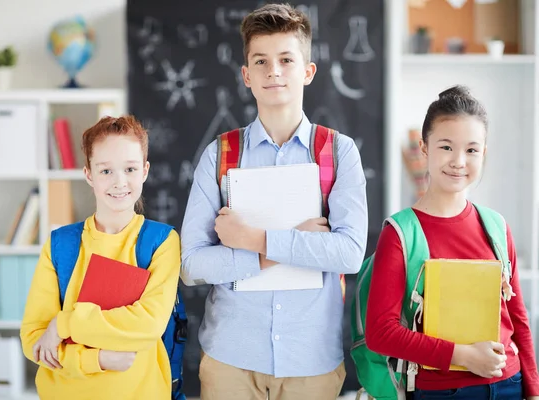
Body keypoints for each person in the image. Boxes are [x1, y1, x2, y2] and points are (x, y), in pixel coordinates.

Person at [180, 3, 368, 400]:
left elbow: (350, 253)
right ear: (246, 75)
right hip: (230, 360)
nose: (274, 71)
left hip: (311, 363)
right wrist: (281, 249)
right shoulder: (219, 155)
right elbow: (192, 265)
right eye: (260, 61)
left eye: (286, 59)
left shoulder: (338, 152)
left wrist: (254, 238)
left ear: (307, 71)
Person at [366, 85, 539, 399]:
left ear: (483, 154)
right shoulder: (401, 232)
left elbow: (518, 318)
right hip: (442, 390)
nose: (459, 161)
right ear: (424, 148)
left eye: (471, 150)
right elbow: (380, 333)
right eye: (446, 147)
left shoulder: (497, 226)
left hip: (509, 385)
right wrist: (463, 356)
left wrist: (534, 390)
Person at [20, 115, 181, 399]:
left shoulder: (160, 242)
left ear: (144, 171)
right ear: (88, 174)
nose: (120, 182)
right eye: (106, 171)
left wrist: (64, 324)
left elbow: (148, 324)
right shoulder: (61, 244)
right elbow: (34, 339)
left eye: (130, 169)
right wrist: (98, 359)